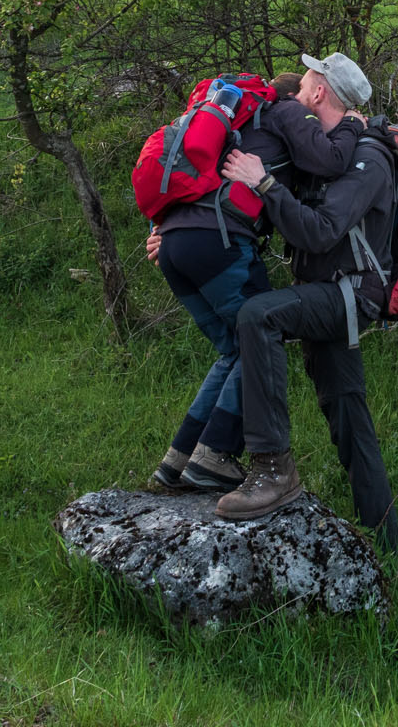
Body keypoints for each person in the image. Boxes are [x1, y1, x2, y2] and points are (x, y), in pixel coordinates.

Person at [214, 51, 398, 554]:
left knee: (258, 316)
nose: (297, 90)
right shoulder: (318, 154)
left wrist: (265, 182)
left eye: (305, 82)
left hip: (349, 297)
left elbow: (319, 231)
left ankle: (271, 468)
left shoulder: (368, 159)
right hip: (326, 293)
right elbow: (279, 216)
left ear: (319, 92)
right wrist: (172, 236)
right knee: (347, 412)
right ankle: (389, 542)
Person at [146, 70, 363, 495]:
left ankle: (179, 459)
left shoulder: (235, 124)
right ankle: (213, 455)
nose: (306, 100)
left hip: (175, 243)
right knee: (262, 335)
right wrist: (355, 124)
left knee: (234, 349)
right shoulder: (285, 111)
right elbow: (331, 161)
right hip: (219, 242)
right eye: (301, 91)